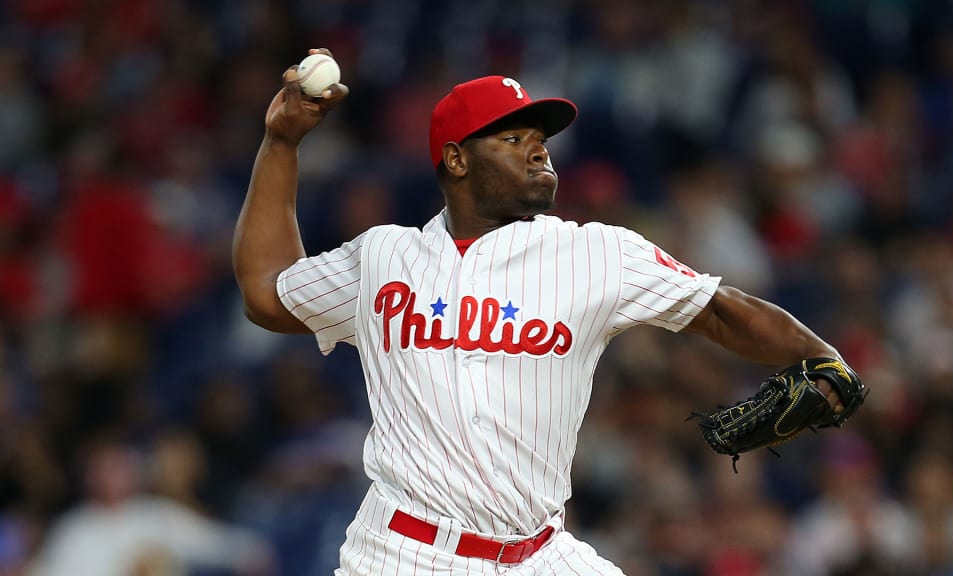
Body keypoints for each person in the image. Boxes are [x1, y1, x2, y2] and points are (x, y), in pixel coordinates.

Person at [233, 48, 856, 576]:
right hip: (404, 553)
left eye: (540, 139)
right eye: (513, 139)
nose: (538, 152)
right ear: (456, 160)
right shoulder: (383, 257)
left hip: (540, 555)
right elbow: (267, 291)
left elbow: (724, 312)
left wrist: (822, 359)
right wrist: (281, 142)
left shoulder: (594, 251)